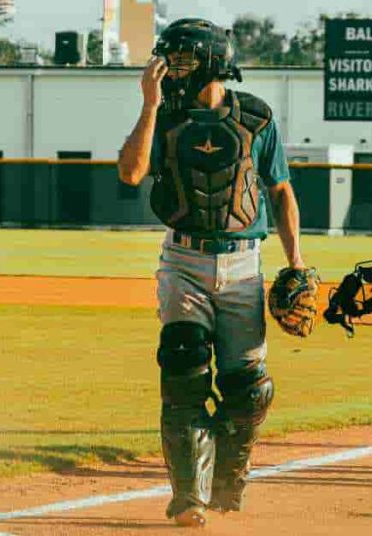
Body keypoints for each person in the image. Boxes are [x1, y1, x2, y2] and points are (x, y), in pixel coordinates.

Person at [117, 18, 306, 526]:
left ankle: (226, 478)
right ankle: (187, 498)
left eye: (179, 59)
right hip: (183, 259)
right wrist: (150, 105)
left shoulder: (256, 119)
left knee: (248, 390)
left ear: (211, 61)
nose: (168, 67)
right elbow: (131, 172)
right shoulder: (166, 115)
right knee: (183, 371)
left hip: (244, 260)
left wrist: (297, 263)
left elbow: (280, 190)